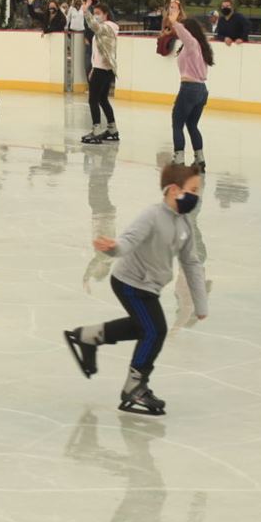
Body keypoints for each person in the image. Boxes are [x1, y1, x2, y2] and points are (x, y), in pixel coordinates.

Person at [62, 161, 208, 417]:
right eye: (193, 190)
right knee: (154, 330)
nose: (196, 196)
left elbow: (191, 263)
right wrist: (113, 249)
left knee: (141, 326)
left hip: (149, 287)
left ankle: (88, 336)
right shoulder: (152, 216)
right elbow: (128, 241)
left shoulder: (184, 225)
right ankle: (135, 386)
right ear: (174, 190)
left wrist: (200, 303)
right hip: (129, 282)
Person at [159, 1, 215, 167]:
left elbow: (185, 34)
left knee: (177, 124)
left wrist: (174, 20)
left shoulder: (192, 45)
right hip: (201, 91)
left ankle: (179, 158)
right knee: (192, 125)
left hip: (190, 89)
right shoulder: (198, 48)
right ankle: (200, 159)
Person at [82, 1, 120, 144]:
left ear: (106, 15)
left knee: (93, 99)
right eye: (95, 13)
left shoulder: (107, 28)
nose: (96, 16)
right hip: (103, 68)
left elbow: (94, 26)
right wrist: (93, 67)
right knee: (103, 99)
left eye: (98, 13)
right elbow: (99, 52)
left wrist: (86, 12)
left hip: (102, 69)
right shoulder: (106, 29)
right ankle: (112, 128)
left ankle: (96, 130)